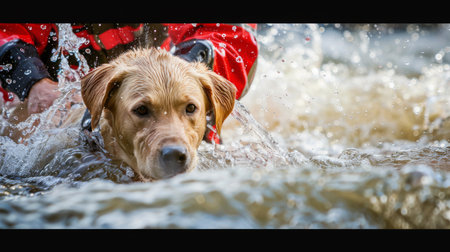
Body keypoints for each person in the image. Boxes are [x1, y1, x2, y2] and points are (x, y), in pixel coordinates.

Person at [0, 23, 258, 143]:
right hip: (57, 115)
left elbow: (231, 35)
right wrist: (33, 81)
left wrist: (191, 65)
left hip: (169, 113)